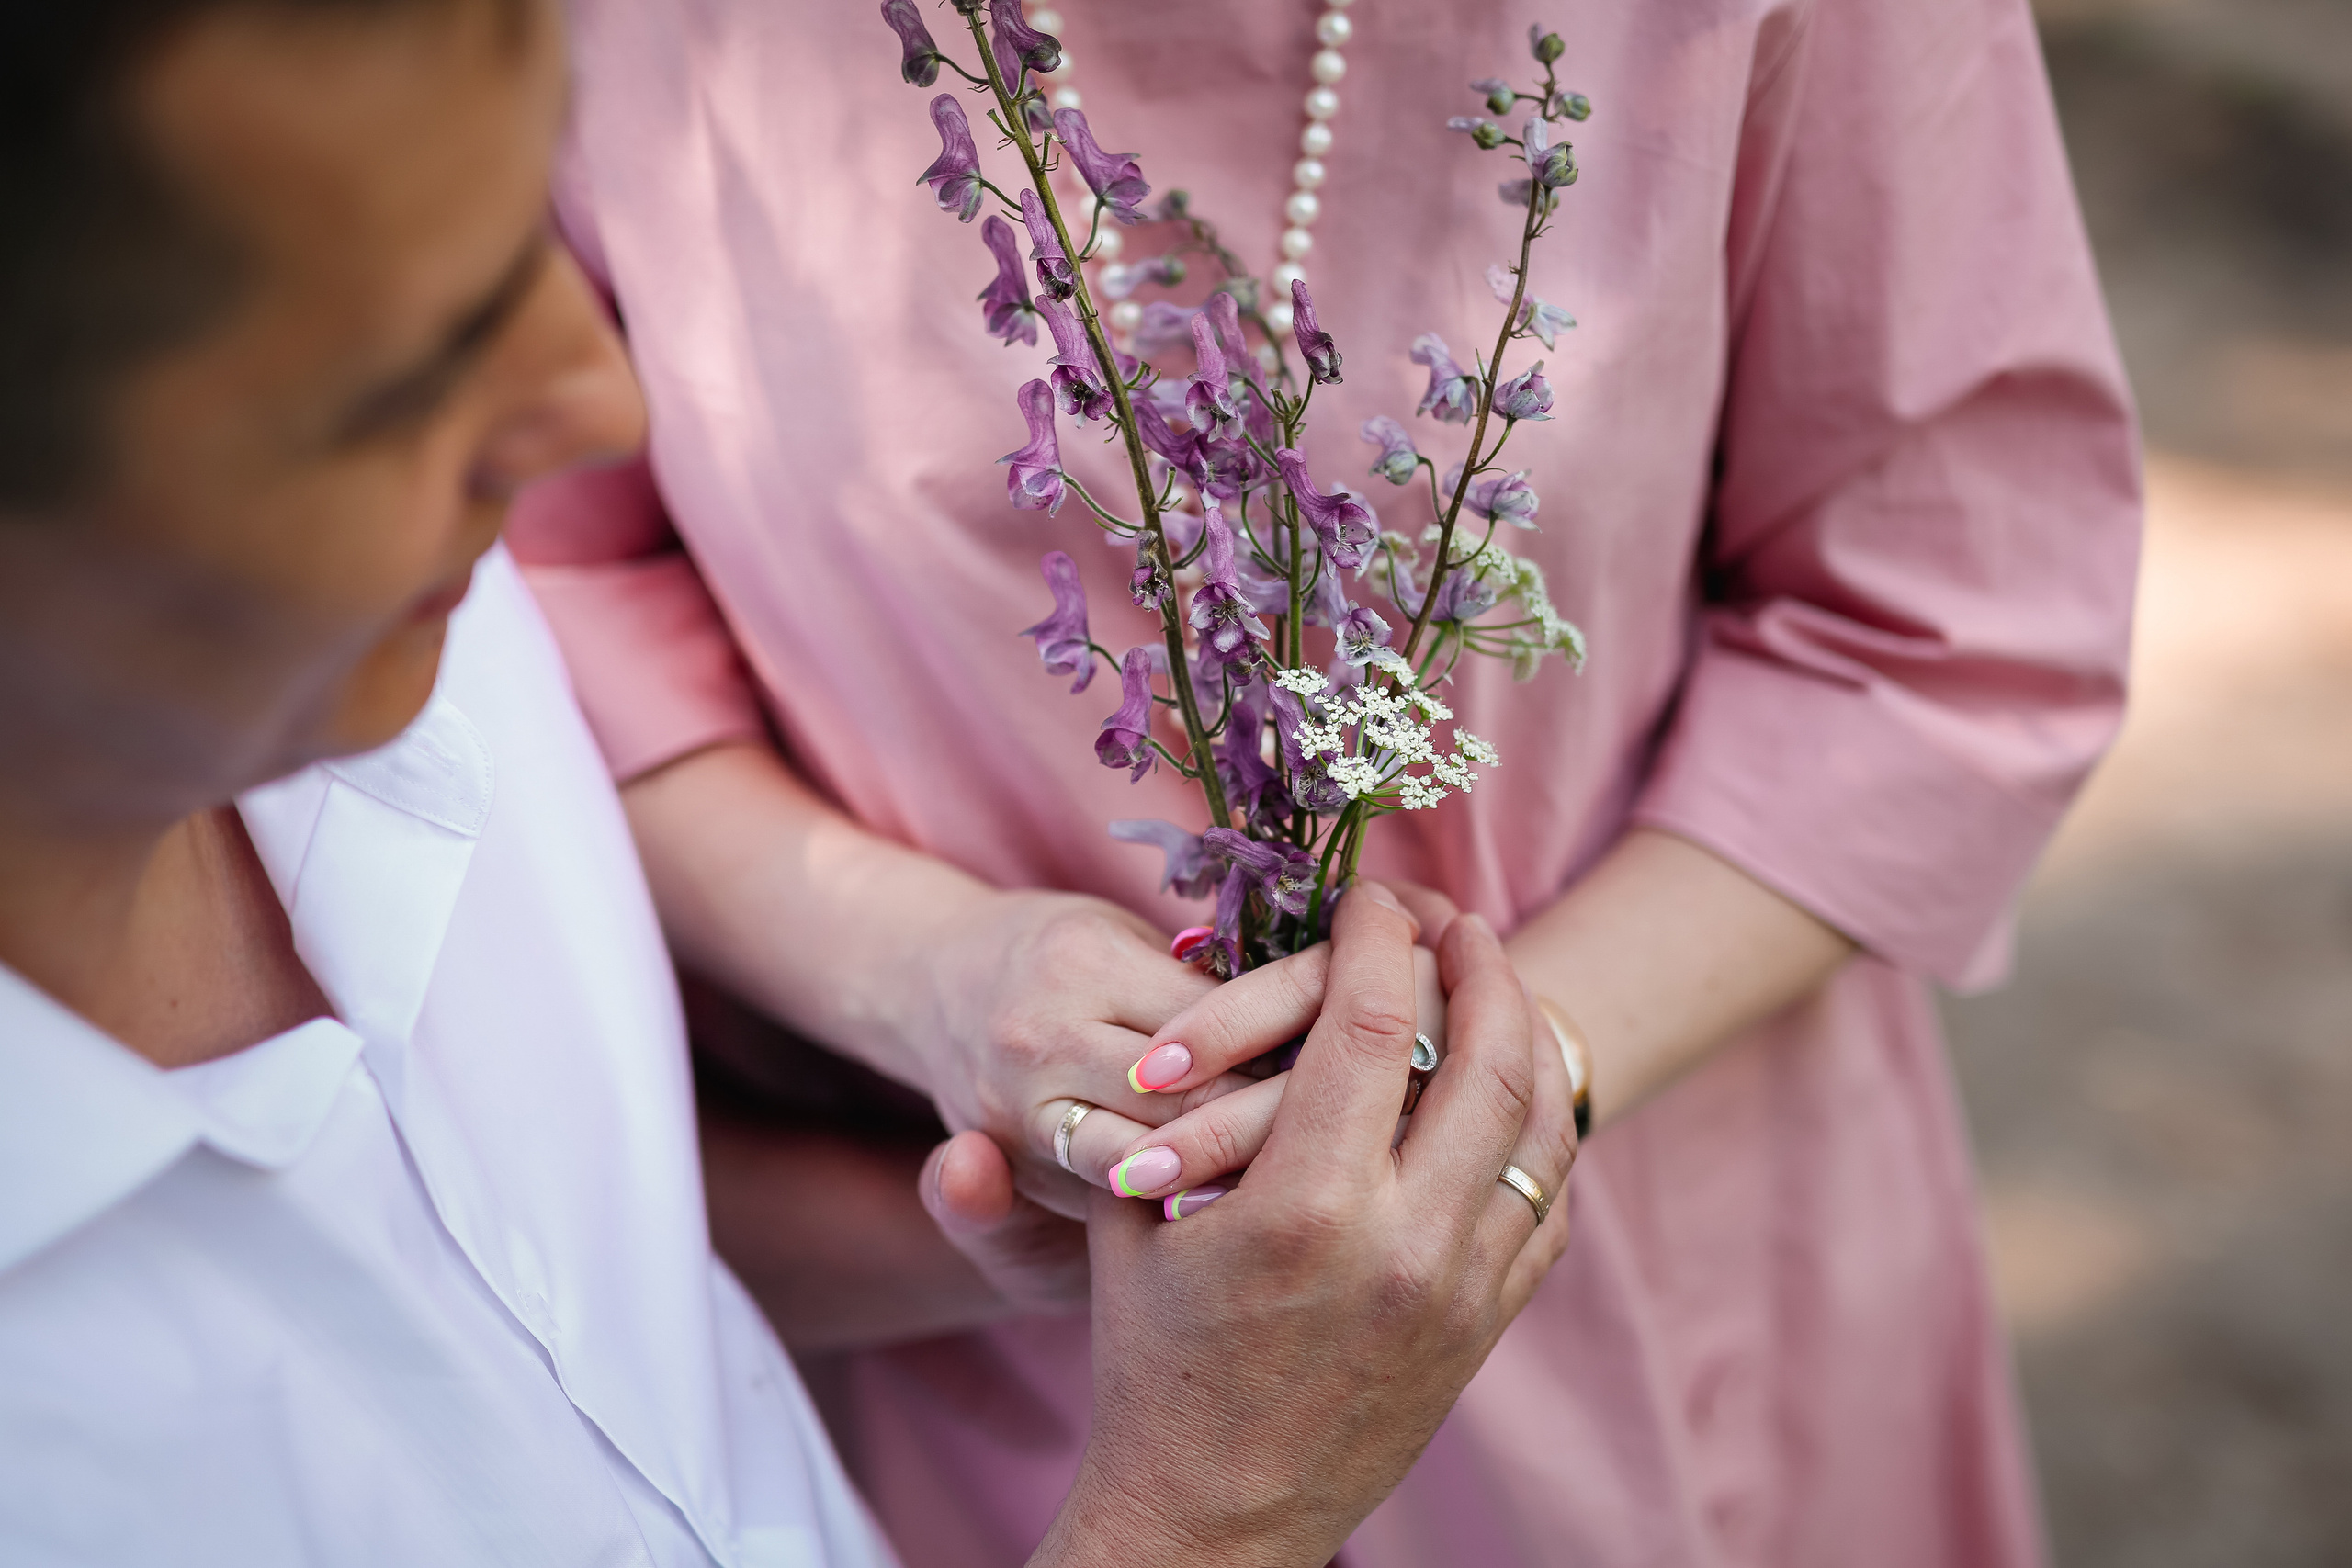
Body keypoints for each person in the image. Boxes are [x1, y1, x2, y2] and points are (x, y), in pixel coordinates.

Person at [508, 0, 2144, 1562]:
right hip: (970, 1269)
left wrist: (1477, 1097)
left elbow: (1950, 608)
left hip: (1628, 1261)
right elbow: (532, 599)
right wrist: (929, 976)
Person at [0, 1, 1580, 1562]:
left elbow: (510, 1266)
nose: (605, 405)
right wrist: (1210, 1511)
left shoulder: (432, 659)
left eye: (524, 240)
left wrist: (1029, 1201)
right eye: (405, 368)